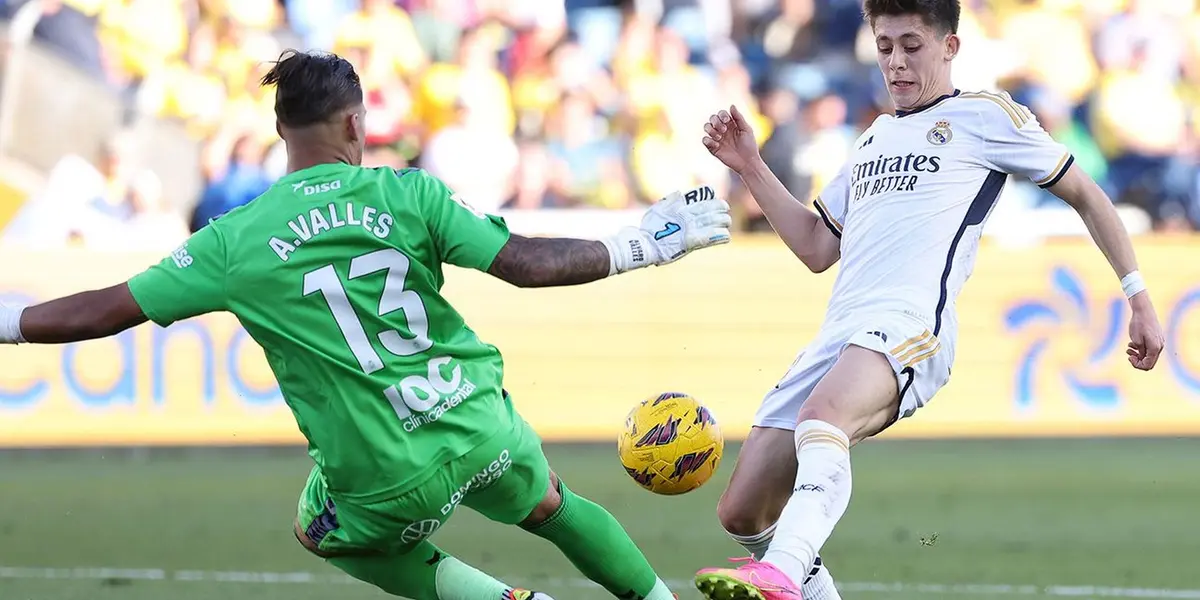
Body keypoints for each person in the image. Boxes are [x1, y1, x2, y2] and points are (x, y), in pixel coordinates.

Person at [0, 50, 734, 600]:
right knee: (549, 503)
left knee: (319, 530)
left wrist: (10, 322)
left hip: (385, 477)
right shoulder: (410, 193)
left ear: (281, 130)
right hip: (478, 424)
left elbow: (105, 308)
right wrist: (645, 243)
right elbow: (526, 264)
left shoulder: (233, 241)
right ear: (355, 123)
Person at [691, 1, 1166, 599]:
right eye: (885, 46)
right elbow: (815, 246)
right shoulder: (873, 139)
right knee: (743, 511)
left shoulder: (985, 116)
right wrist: (751, 167)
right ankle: (800, 580)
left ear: (950, 46)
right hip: (840, 333)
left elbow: (1088, 196)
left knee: (823, 419)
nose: (896, 62)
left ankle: (783, 572)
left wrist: (1137, 294)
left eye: (911, 46)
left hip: (913, 325)